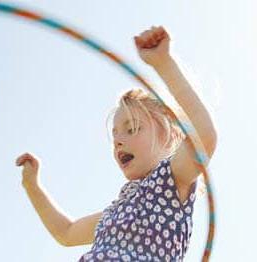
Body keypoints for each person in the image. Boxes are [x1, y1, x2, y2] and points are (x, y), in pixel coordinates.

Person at [15, 25, 217, 261]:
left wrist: (163, 63)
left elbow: (204, 136)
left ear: (170, 135)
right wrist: (32, 185)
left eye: (132, 129)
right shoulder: (116, 212)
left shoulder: (172, 179)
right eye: (115, 135)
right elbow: (66, 232)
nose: (119, 141)